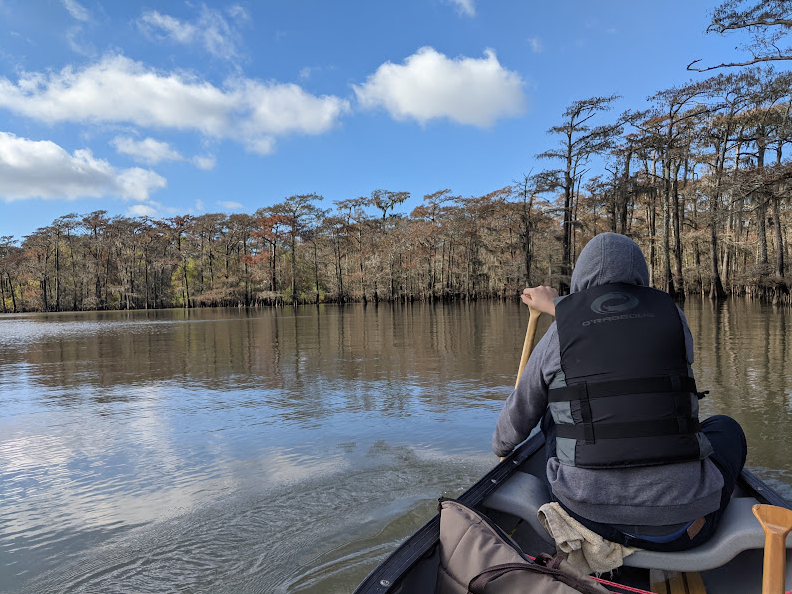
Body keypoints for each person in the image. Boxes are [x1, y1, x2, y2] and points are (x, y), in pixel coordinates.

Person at [492, 232, 747, 552]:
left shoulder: (560, 332)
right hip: (686, 528)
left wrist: (501, 447)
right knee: (726, 428)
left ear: (580, 280)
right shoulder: (674, 318)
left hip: (586, 518)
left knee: (552, 413)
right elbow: (623, 327)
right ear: (641, 277)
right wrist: (564, 308)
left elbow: (520, 411)